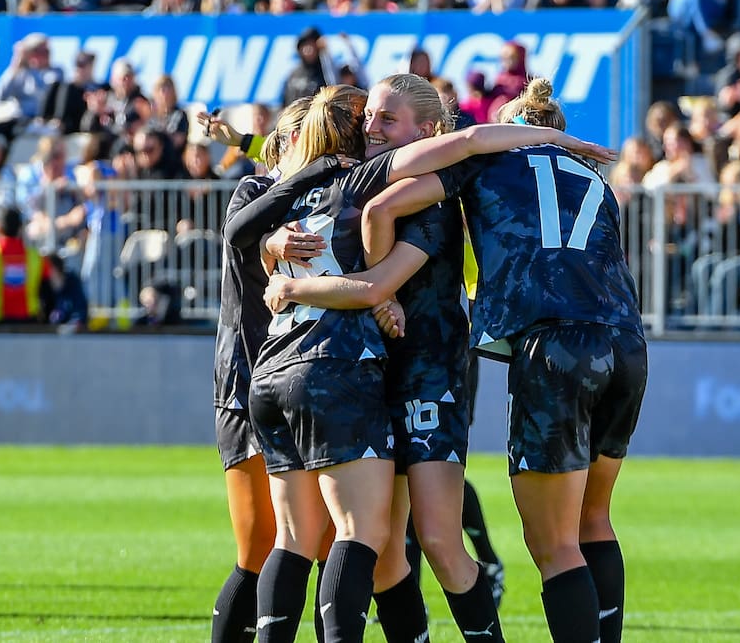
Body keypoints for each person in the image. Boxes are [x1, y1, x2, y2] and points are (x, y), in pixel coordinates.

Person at [225, 82, 613, 643]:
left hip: (430, 371)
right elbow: (298, 176)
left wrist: (371, 289)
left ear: (427, 131)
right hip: (365, 370)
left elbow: (446, 163)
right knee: (380, 552)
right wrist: (275, 243)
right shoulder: (357, 181)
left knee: (439, 541)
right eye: (369, 117)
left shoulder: (435, 190)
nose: (371, 128)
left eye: (387, 119)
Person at [340, 78, 643, 643]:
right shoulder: (593, 179)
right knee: (594, 518)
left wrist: (381, 292)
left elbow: (384, 204)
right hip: (625, 342)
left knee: (555, 545)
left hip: (553, 346)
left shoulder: (489, 160)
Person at [207, 96, 341, 643]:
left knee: (328, 542)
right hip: (246, 381)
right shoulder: (254, 191)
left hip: (310, 378)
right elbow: (243, 237)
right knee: (260, 546)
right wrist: (270, 240)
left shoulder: (328, 197)